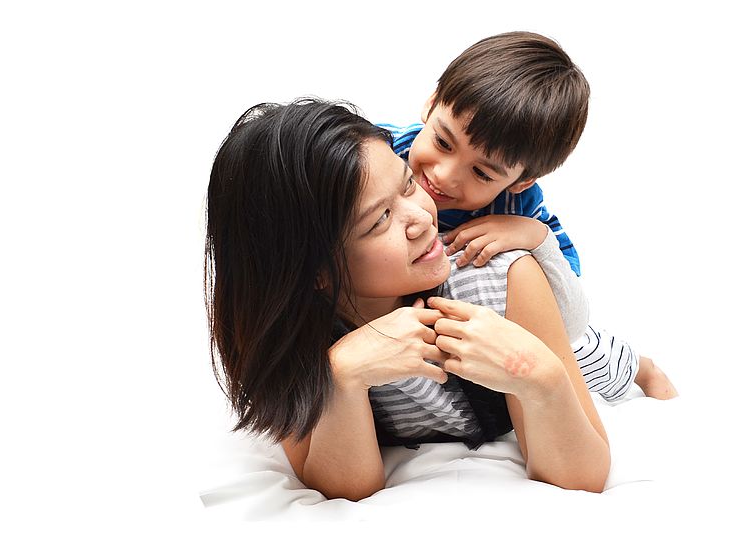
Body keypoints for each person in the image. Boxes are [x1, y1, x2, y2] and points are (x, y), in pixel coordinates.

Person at [205, 99, 610, 501]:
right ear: (315, 273)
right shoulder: (289, 335)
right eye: (380, 220)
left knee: (610, 363)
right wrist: (343, 377)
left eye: (407, 184)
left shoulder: (504, 280)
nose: (422, 218)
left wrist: (541, 376)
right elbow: (345, 489)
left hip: (580, 346)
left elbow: (583, 476)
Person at [379, 31, 678, 401]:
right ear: (432, 102)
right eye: (442, 143)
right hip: (390, 293)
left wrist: (535, 236)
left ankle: (640, 368)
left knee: (567, 353)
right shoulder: (381, 152)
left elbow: (568, 319)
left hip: (480, 312)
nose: (444, 175)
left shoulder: (520, 207)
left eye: (482, 173)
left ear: (520, 182)